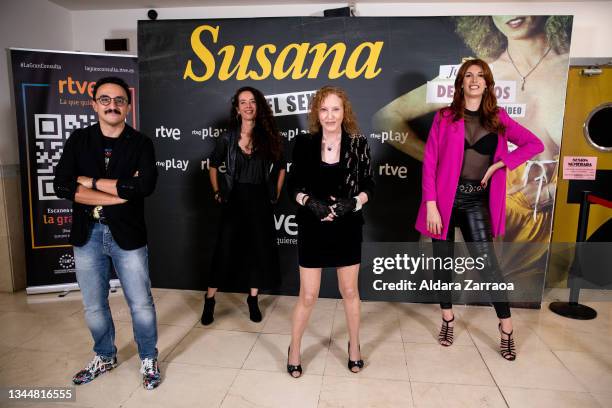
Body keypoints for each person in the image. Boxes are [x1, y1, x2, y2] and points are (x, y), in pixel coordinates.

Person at [373, 15, 571, 277]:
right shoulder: (477, 74)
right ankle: (448, 318)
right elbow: (387, 119)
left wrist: (541, 187)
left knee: (506, 290)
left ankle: (503, 320)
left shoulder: (564, 69)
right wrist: (442, 165)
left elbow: (549, 150)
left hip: (535, 223)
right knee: (453, 279)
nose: (509, 14)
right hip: (471, 201)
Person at [414, 59, 544, 360]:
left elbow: (533, 144)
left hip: (476, 202)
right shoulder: (445, 117)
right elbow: (430, 162)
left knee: (488, 266)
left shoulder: (498, 119)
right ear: (461, 83)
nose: (474, 80)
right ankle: (447, 318)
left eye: (480, 76)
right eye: (468, 75)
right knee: (443, 266)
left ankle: (506, 327)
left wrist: (502, 162)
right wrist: (431, 205)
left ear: (487, 83)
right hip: (443, 203)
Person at [53, 77, 161, 389]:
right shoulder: (79, 140)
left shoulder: (141, 143)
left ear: (128, 106)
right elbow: (63, 185)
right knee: (93, 304)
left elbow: (144, 187)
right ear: (94, 104)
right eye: (105, 99)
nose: (112, 105)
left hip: (127, 234)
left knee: (140, 303)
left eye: (119, 100)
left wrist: (90, 182)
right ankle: (104, 355)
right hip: (87, 234)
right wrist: (119, 192)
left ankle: (148, 358)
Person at [286, 86, 374, 378]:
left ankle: (354, 347)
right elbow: (293, 187)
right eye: (324, 109)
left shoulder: (359, 144)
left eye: (335, 109)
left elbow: (369, 186)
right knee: (308, 296)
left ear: (344, 111)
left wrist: (355, 202)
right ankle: (295, 348)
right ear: (317, 113)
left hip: (347, 226)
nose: (330, 115)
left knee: (349, 291)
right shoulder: (303, 144)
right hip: (313, 227)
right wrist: (309, 203)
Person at [201, 86, 286, 325]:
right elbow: (213, 165)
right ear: (237, 109)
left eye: (252, 102)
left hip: (259, 199)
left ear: (258, 107)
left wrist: (275, 193)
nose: (248, 106)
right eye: (243, 102)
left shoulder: (269, 137)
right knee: (224, 250)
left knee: (257, 252)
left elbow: (281, 167)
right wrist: (218, 191)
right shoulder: (227, 138)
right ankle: (209, 300)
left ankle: (252, 299)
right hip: (234, 198)